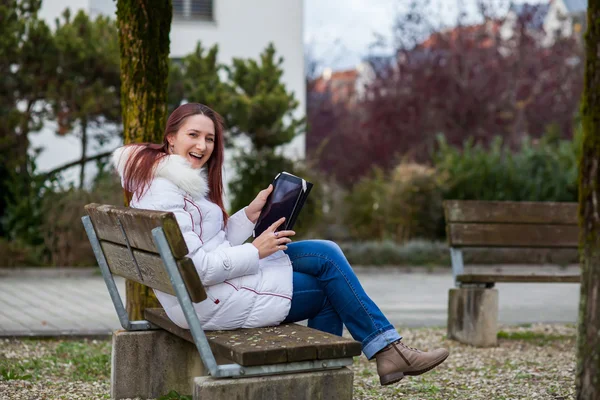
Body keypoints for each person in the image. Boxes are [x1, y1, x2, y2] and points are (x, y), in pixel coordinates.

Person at [112, 103, 449, 386]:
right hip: (207, 299)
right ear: (171, 139)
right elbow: (198, 270)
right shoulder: (166, 192)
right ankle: (365, 364)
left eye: (210, 138)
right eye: (194, 135)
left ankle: (386, 351)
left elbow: (208, 244)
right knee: (329, 289)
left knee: (326, 253)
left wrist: (249, 213)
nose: (203, 145)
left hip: (205, 291)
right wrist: (256, 250)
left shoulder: (170, 181)